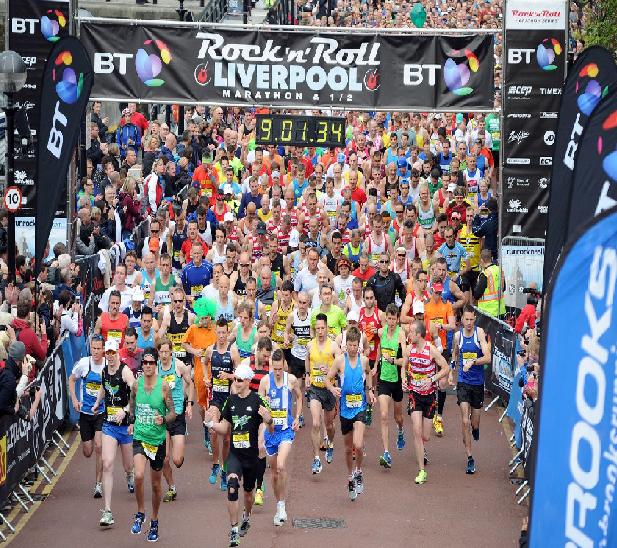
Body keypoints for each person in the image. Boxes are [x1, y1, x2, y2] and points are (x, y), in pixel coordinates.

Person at [203, 363, 273, 548]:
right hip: (235, 455)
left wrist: (269, 420)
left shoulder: (258, 401)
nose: (237, 383)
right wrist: (210, 424)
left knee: (248, 495)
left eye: (240, 380)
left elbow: (271, 428)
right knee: (232, 486)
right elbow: (225, 428)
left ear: (249, 381)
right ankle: (234, 530)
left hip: (252, 457)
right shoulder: (231, 401)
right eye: (235, 379)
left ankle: (246, 516)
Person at [129, 347, 177, 542]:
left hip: (157, 441)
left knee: (156, 484)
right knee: (138, 475)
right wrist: (132, 420)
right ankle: (140, 512)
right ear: (142, 365)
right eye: (145, 363)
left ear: (156, 364)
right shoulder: (136, 385)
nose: (148, 366)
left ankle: (154, 520)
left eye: (151, 363)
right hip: (140, 436)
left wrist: (163, 420)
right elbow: (132, 403)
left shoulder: (164, 386)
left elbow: (173, 413)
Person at [325, 326, 373, 501]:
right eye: (350, 345)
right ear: (346, 345)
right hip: (345, 410)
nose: (352, 348)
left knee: (358, 445)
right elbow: (326, 379)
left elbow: (368, 374)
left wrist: (370, 391)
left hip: (359, 408)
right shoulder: (340, 361)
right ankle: (350, 475)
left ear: (359, 345)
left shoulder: (364, 360)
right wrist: (332, 388)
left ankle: (359, 471)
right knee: (347, 449)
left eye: (355, 345)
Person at [93, 339, 136, 527]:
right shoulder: (104, 370)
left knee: (128, 465)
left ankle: (129, 475)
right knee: (107, 463)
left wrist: (126, 410)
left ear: (117, 352)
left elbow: (136, 391)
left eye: (112, 353)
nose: (109, 356)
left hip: (125, 427)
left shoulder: (125, 371)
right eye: (107, 353)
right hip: (109, 425)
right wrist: (97, 402)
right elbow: (104, 386)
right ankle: (108, 511)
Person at [258, 349, 302, 526]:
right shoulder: (265, 382)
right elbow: (259, 408)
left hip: (285, 430)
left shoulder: (290, 380)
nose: (277, 372)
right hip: (271, 433)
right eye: (274, 369)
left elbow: (299, 398)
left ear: (284, 365)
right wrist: (264, 405)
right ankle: (279, 504)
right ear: (271, 366)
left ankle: (282, 507)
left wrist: (297, 417)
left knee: (282, 465)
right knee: (274, 474)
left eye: (279, 368)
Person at [406, 320, 449, 485]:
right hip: (415, 395)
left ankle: (422, 448)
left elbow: (446, 368)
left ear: (419, 334)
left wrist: (432, 379)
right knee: (416, 431)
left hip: (429, 396)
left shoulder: (430, 349)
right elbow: (406, 365)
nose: (409, 335)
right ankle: (421, 470)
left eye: (411, 332)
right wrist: (405, 378)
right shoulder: (410, 349)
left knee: (425, 436)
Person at [450, 306, 491, 475]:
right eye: (466, 320)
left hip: (477, 383)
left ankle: (475, 428)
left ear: (475, 319)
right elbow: (455, 353)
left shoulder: (479, 333)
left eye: (471, 320)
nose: (468, 323)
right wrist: (453, 371)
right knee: (465, 421)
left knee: (474, 422)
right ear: (462, 320)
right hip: (463, 382)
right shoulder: (458, 336)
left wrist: (472, 362)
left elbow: (488, 357)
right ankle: (470, 457)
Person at [202, 319, 240, 491]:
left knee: (226, 438)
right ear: (215, 332)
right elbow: (204, 362)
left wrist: (229, 377)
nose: (222, 335)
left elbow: (240, 376)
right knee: (212, 429)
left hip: (229, 398)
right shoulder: (211, 350)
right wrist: (206, 378)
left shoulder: (233, 351)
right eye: (219, 332)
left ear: (228, 332)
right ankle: (215, 464)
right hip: (215, 397)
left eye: (224, 332)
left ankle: (224, 470)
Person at [157, 338, 194, 503]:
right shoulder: (155, 368)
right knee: (164, 458)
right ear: (158, 352)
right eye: (161, 352)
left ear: (171, 351)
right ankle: (171, 488)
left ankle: (179, 455)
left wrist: (190, 404)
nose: (164, 355)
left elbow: (190, 383)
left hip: (177, 415)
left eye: (167, 351)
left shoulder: (178, 366)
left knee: (177, 460)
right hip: (162, 417)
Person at [69, 335, 105, 498]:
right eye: (94, 348)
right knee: (88, 451)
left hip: (101, 413)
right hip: (85, 414)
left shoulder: (107, 365)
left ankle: (98, 484)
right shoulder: (84, 363)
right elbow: (71, 379)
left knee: (99, 446)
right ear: (90, 348)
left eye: (99, 348)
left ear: (103, 349)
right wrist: (75, 399)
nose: (96, 351)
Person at [306, 313, 340, 473]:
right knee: (315, 423)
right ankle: (316, 459)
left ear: (327, 328)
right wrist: (307, 375)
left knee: (330, 425)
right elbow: (307, 359)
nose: (320, 331)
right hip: (315, 389)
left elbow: (341, 366)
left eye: (322, 328)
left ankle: (331, 443)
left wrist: (332, 371)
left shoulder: (333, 346)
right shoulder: (310, 345)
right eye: (317, 328)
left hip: (329, 390)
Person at [182, 298, 217, 451]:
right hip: (199, 373)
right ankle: (206, 431)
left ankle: (213, 434)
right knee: (203, 406)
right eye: (202, 317)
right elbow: (184, 343)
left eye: (206, 317)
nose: (204, 320)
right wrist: (193, 351)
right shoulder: (193, 329)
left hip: (214, 371)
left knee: (215, 404)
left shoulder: (214, 329)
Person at [376, 304, 408, 468]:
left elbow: (406, 359)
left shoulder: (401, 334)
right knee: (383, 415)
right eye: (389, 318)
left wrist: (394, 361)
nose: (391, 322)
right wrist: (375, 366)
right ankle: (386, 452)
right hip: (383, 379)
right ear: (386, 318)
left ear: (397, 319)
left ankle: (401, 431)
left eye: (394, 319)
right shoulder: (381, 332)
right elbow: (379, 351)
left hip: (396, 380)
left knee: (398, 417)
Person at [473, 248, 506, 319]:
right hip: (501, 311)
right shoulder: (499, 270)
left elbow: (477, 295)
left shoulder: (485, 274)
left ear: (481, 260)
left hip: (488, 312)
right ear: (491, 258)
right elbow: (504, 288)